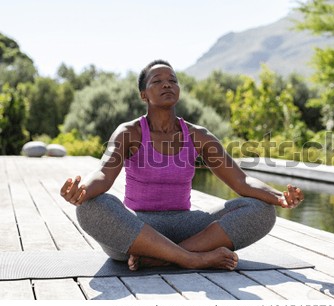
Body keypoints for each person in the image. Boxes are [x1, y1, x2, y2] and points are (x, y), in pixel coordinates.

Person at [60, 60, 304, 271]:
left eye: (172, 80)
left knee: (260, 210)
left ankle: (162, 259)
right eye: (157, 81)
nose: (167, 84)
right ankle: (189, 259)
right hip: (137, 232)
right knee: (90, 206)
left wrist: (278, 196)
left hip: (187, 228)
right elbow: (103, 173)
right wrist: (83, 192)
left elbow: (241, 181)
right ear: (143, 94)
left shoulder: (198, 136)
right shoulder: (129, 133)